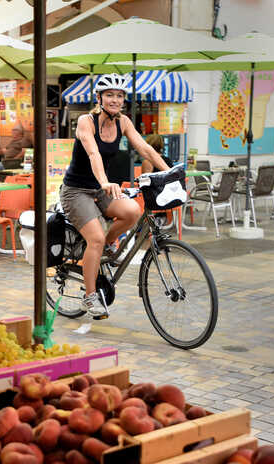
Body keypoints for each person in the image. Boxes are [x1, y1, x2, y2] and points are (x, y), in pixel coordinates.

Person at [60, 73, 169, 317]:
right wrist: (105, 181)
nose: (115, 100)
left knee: (132, 211)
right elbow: (93, 154)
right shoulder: (86, 122)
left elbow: (145, 148)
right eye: (110, 95)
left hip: (101, 189)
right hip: (76, 191)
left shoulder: (123, 122)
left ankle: (102, 248)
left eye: (119, 96)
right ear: (99, 98)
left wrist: (170, 172)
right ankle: (89, 297)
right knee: (95, 238)